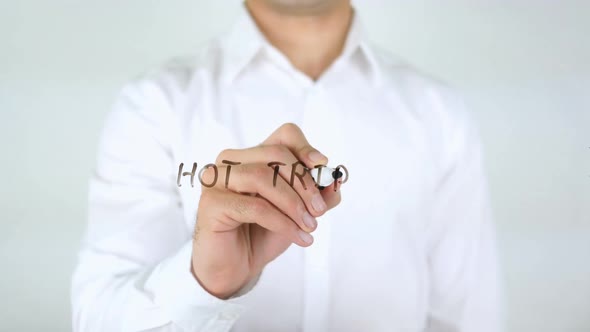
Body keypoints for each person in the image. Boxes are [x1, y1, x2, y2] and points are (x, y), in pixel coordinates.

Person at [71, 0, 501, 331]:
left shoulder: (439, 114)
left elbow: (469, 320)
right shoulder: (154, 105)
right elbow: (97, 319)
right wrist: (205, 281)